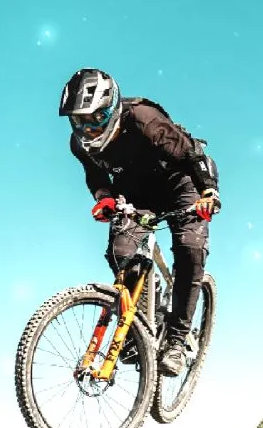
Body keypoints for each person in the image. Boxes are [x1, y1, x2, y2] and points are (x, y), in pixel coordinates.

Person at [58, 68, 221, 376]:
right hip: (136, 194)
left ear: (112, 108)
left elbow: (194, 156)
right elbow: (94, 174)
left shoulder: (145, 120)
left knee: (189, 248)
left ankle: (176, 340)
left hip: (181, 186)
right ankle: (145, 328)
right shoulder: (78, 144)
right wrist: (103, 196)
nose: (88, 129)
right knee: (122, 254)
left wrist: (208, 192)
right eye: (79, 121)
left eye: (95, 119)